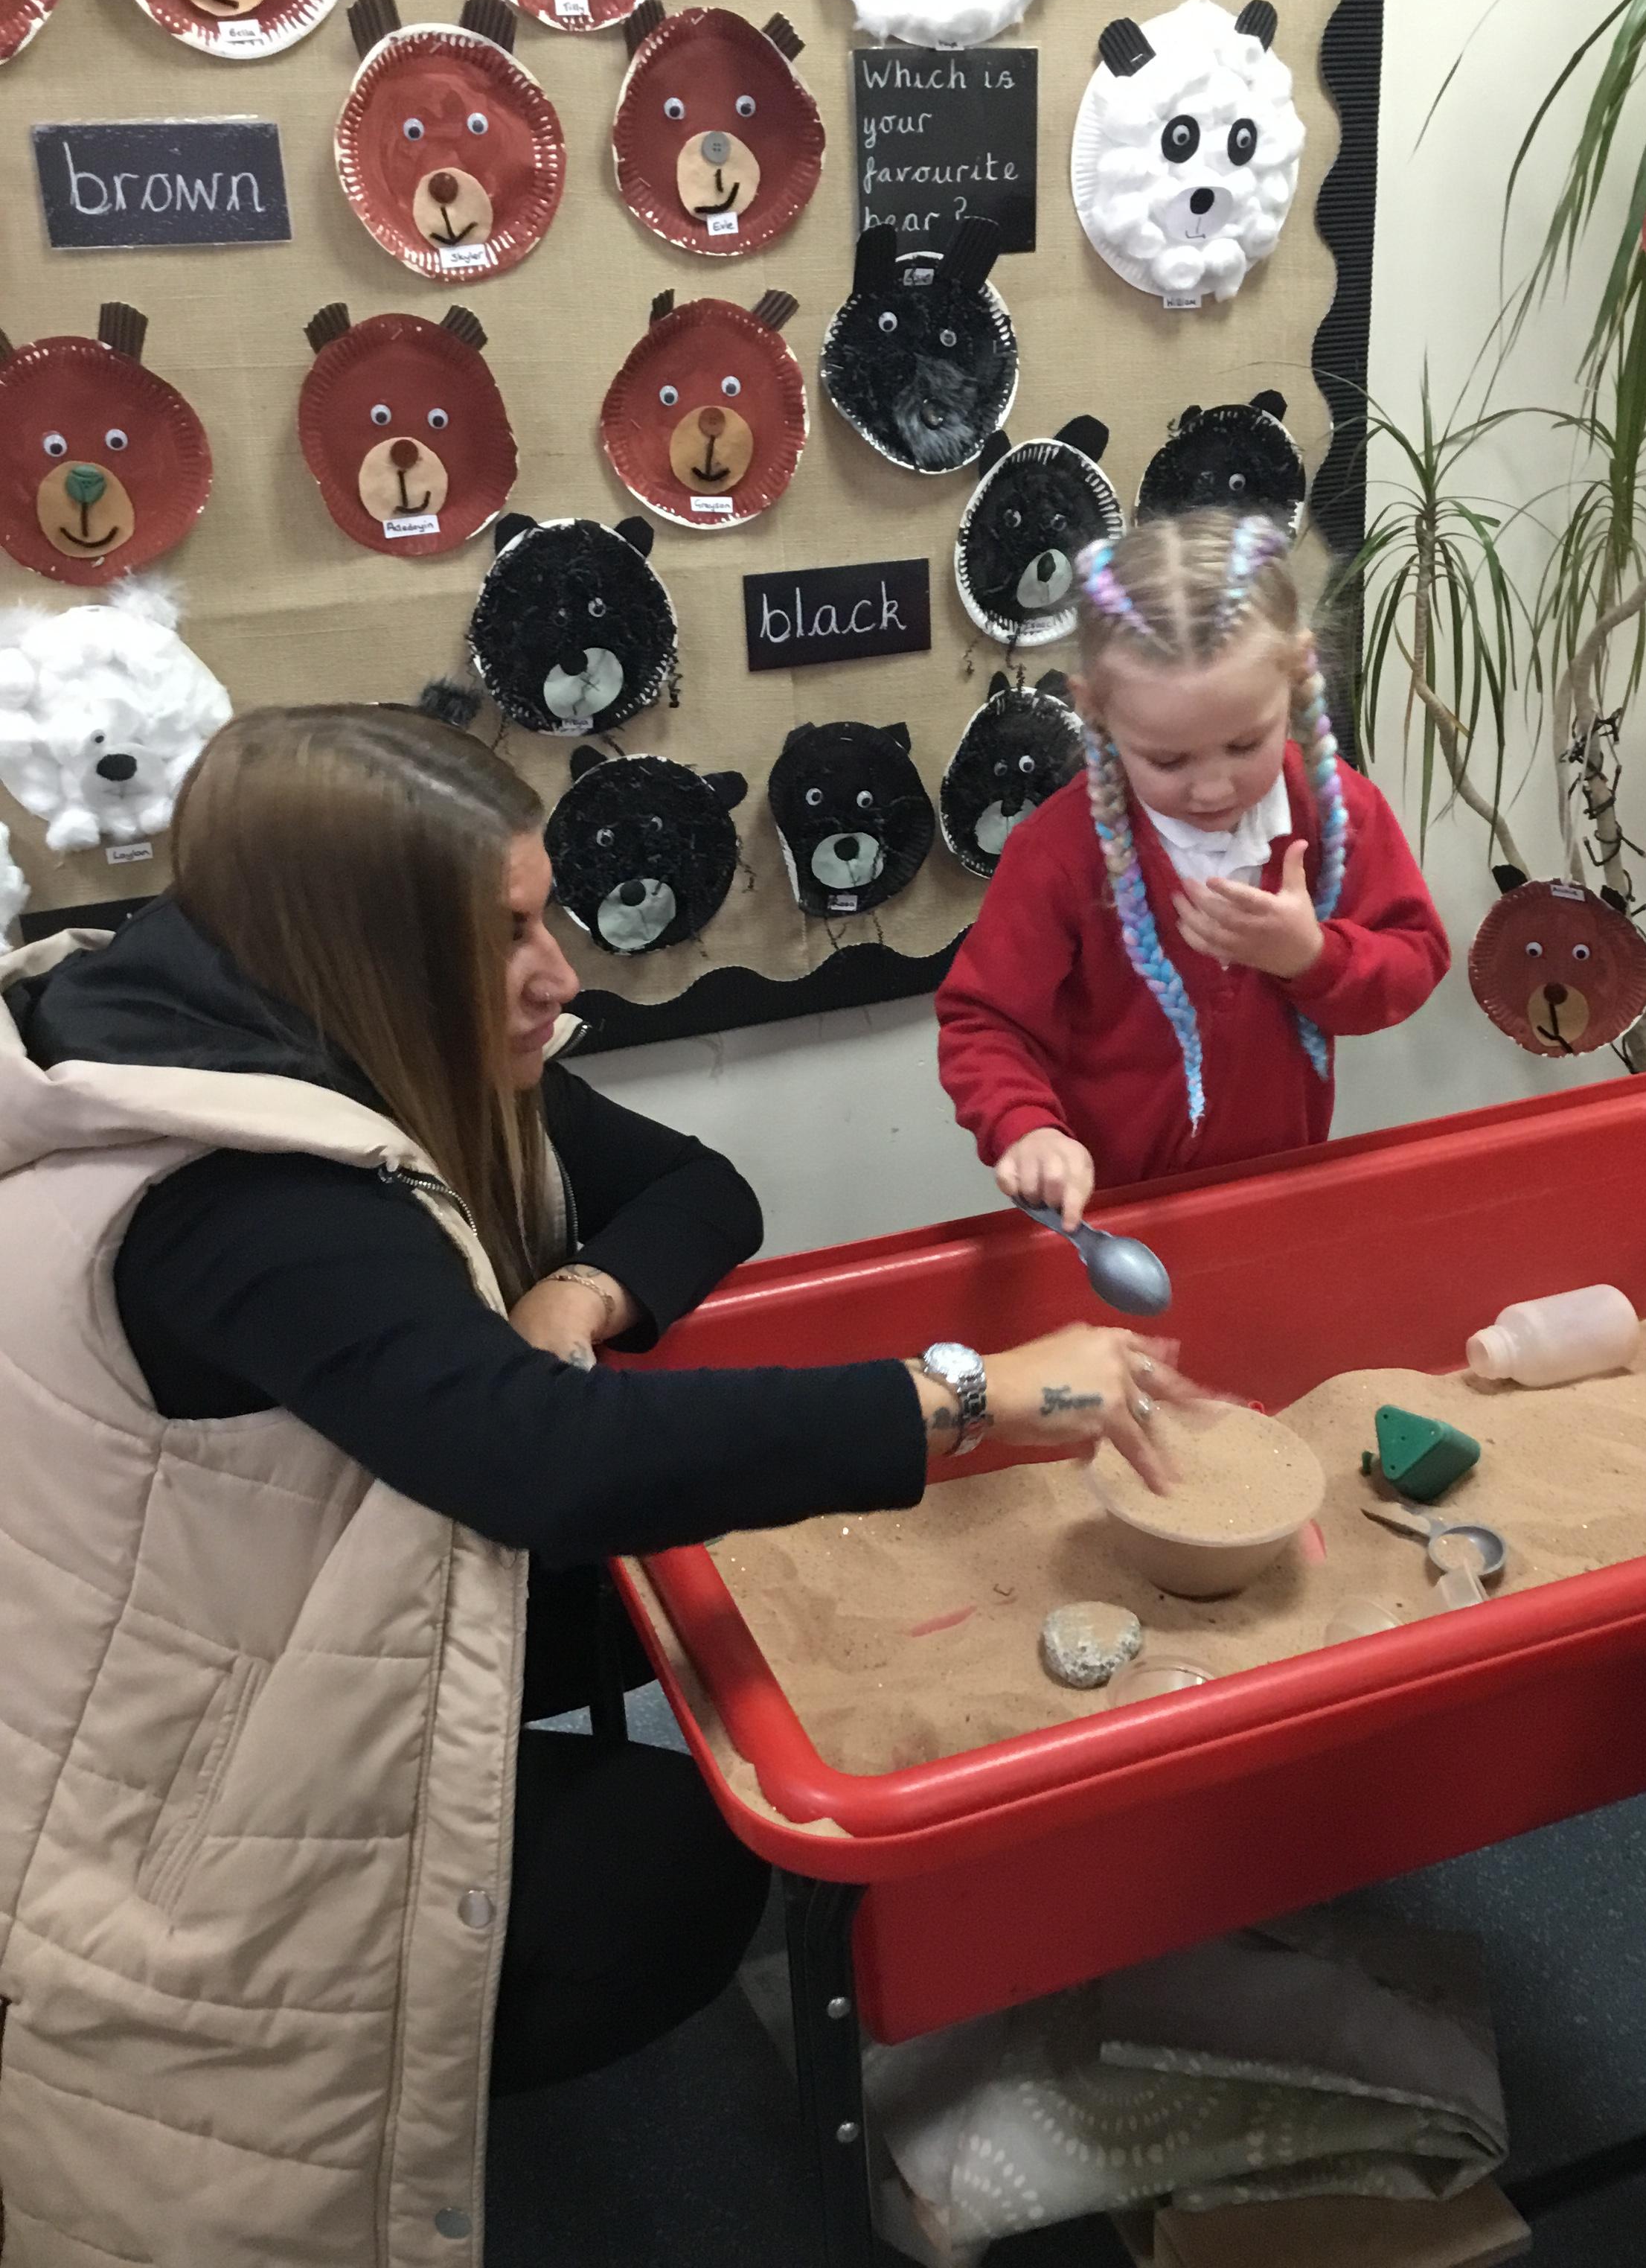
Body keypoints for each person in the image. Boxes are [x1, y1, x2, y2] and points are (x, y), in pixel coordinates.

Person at [0, 704, 1200, 2268]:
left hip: (269, 1608)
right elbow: (545, 1464)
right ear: (367, 944)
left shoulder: (315, 1016)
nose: (561, 971)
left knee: (713, 1615)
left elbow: (701, 1190)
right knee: (685, 1859)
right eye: (505, 934)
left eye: (546, 911)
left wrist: (580, 1291)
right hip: (175, 1794)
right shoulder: (235, 1195)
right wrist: (974, 1396)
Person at [938, 510, 1450, 1227]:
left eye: (1245, 745)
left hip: (1276, 1197)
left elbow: (1415, 959)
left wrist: (1311, 959)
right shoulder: (1060, 852)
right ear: (1096, 712)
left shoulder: (1336, 812)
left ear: (1296, 678)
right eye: (1168, 760)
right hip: (1109, 1218)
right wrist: (1026, 1127)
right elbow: (984, 1021)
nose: (1211, 789)